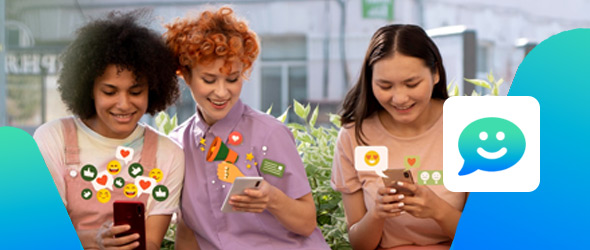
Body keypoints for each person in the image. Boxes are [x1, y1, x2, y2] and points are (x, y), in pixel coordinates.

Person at [164, 6, 329, 249]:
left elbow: (306, 223)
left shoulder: (269, 135)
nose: (222, 92)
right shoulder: (178, 144)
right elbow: (188, 228)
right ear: (185, 76)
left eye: (232, 79)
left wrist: (272, 198)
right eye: (209, 80)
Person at [33, 10, 184, 250]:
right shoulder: (53, 138)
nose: (124, 104)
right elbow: (43, 235)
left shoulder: (168, 154)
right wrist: (96, 240)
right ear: (89, 89)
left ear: (153, 90)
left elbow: (152, 243)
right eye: (109, 92)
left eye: (135, 92)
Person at [331, 24, 468, 250]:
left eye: (411, 84)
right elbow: (359, 244)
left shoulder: (468, 125)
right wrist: (376, 214)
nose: (399, 98)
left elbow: (489, 237)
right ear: (370, 81)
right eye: (385, 86)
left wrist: (438, 210)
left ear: (435, 74)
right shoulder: (354, 136)